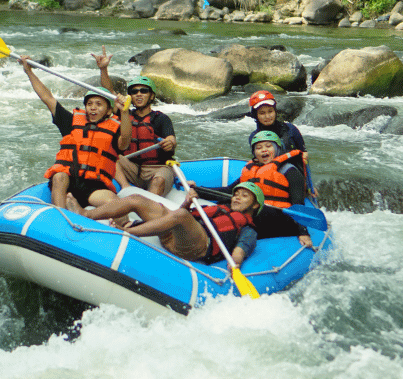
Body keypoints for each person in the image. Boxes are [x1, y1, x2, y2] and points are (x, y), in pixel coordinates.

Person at [18, 55, 132, 210]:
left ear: (108, 111)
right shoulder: (72, 122)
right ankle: (62, 215)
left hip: (94, 186)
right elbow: (48, 98)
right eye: (89, 104)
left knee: (114, 202)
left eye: (99, 104)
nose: (93, 107)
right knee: (59, 176)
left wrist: (125, 112)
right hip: (69, 180)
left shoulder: (115, 128)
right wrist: (29, 72)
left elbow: (125, 140)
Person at [78, 181, 265, 270]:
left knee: (181, 215)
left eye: (244, 195)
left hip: (195, 247)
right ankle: (86, 214)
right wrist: (188, 203)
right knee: (136, 199)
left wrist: (236, 263)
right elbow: (186, 216)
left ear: (255, 205)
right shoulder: (219, 209)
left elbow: (242, 248)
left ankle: (126, 232)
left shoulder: (249, 228)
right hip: (172, 234)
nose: (237, 197)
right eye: (236, 193)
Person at [92, 46, 177, 196]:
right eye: (134, 91)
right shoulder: (125, 114)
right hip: (132, 167)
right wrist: (103, 69)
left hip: (157, 168)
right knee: (110, 154)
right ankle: (126, 189)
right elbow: (110, 93)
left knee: (158, 181)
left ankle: (150, 208)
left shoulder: (161, 118)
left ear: (151, 96)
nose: (138, 94)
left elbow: (171, 140)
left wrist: (169, 143)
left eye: (143, 91)